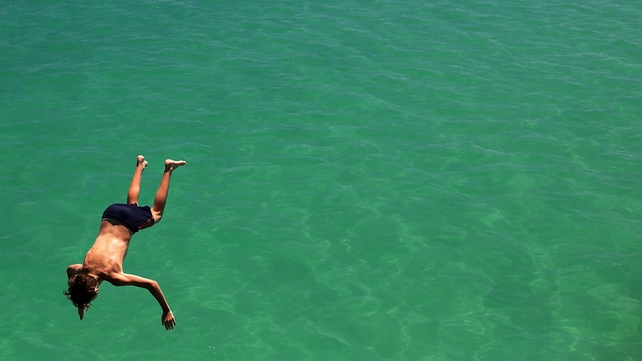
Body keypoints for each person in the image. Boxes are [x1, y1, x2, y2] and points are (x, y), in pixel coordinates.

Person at [64, 155, 186, 330]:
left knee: (157, 213)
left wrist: (166, 310)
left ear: (96, 291)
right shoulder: (82, 268)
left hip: (129, 221)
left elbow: (152, 284)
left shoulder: (114, 277)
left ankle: (168, 169)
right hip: (111, 213)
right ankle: (140, 164)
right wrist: (80, 300)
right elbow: (69, 270)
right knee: (132, 205)